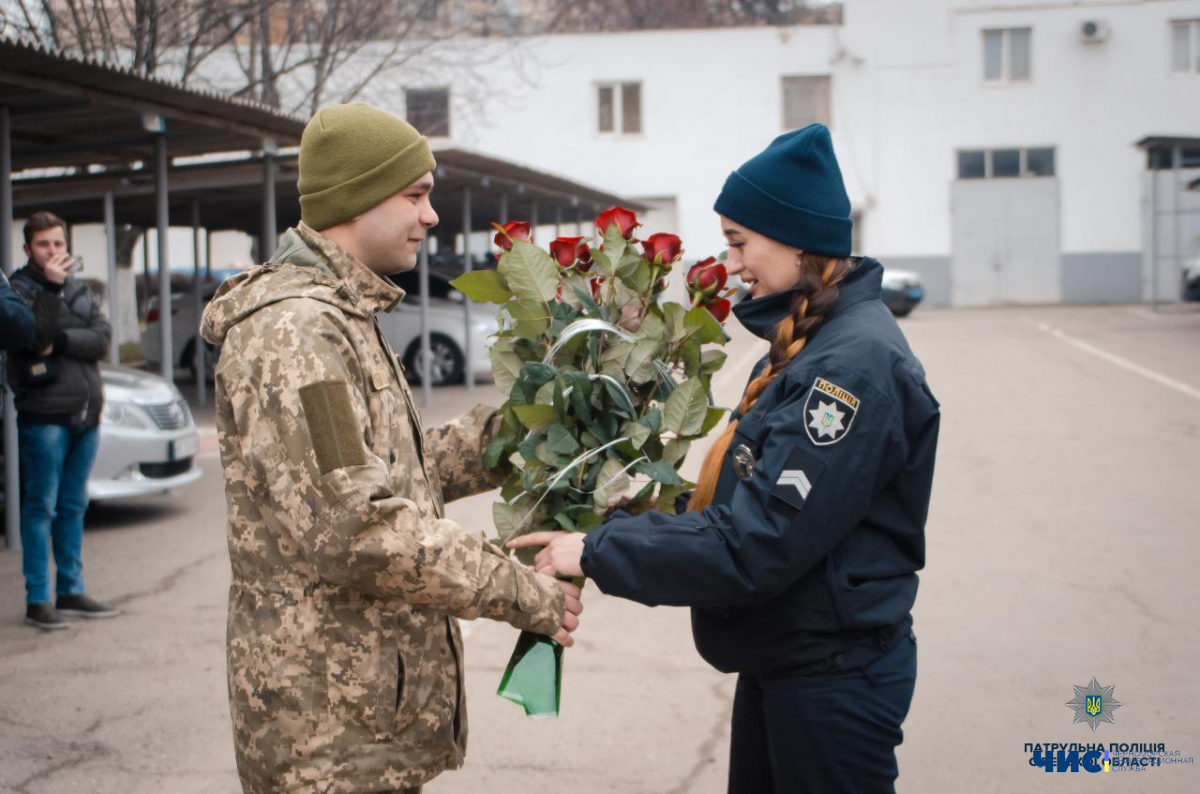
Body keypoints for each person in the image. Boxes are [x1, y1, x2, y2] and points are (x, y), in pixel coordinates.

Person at [510, 124, 940, 794]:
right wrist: (646, 503)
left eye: (740, 242)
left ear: (797, 238)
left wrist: (598, 550)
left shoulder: (850, 369)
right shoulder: (811, 343)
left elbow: (760, 540)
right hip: (792, 658)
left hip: (831, 681)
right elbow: (751, 497)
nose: (732, 263)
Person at [199, 102, 583, 794]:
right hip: (327, 738)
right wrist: (521, 589)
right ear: (355, 200)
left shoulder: (338, 316)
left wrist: (522, 434)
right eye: (415, 195)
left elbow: (386, 467)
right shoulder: (298, 337)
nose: (431, 215)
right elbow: (358, 529)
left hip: (360, 715)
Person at [7, 212, 117, 631]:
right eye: (43, 245)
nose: (53, 252)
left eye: (58, 243)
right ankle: (39, 599)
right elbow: (34, 339)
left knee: (73, 506)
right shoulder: (20, 290)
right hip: (44, 416)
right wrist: (52, 290)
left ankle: (71, 589)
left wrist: (64, 341)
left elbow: (102, 340)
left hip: (86, 414)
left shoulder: (82, 289)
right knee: (41, 509)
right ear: (28, 250)